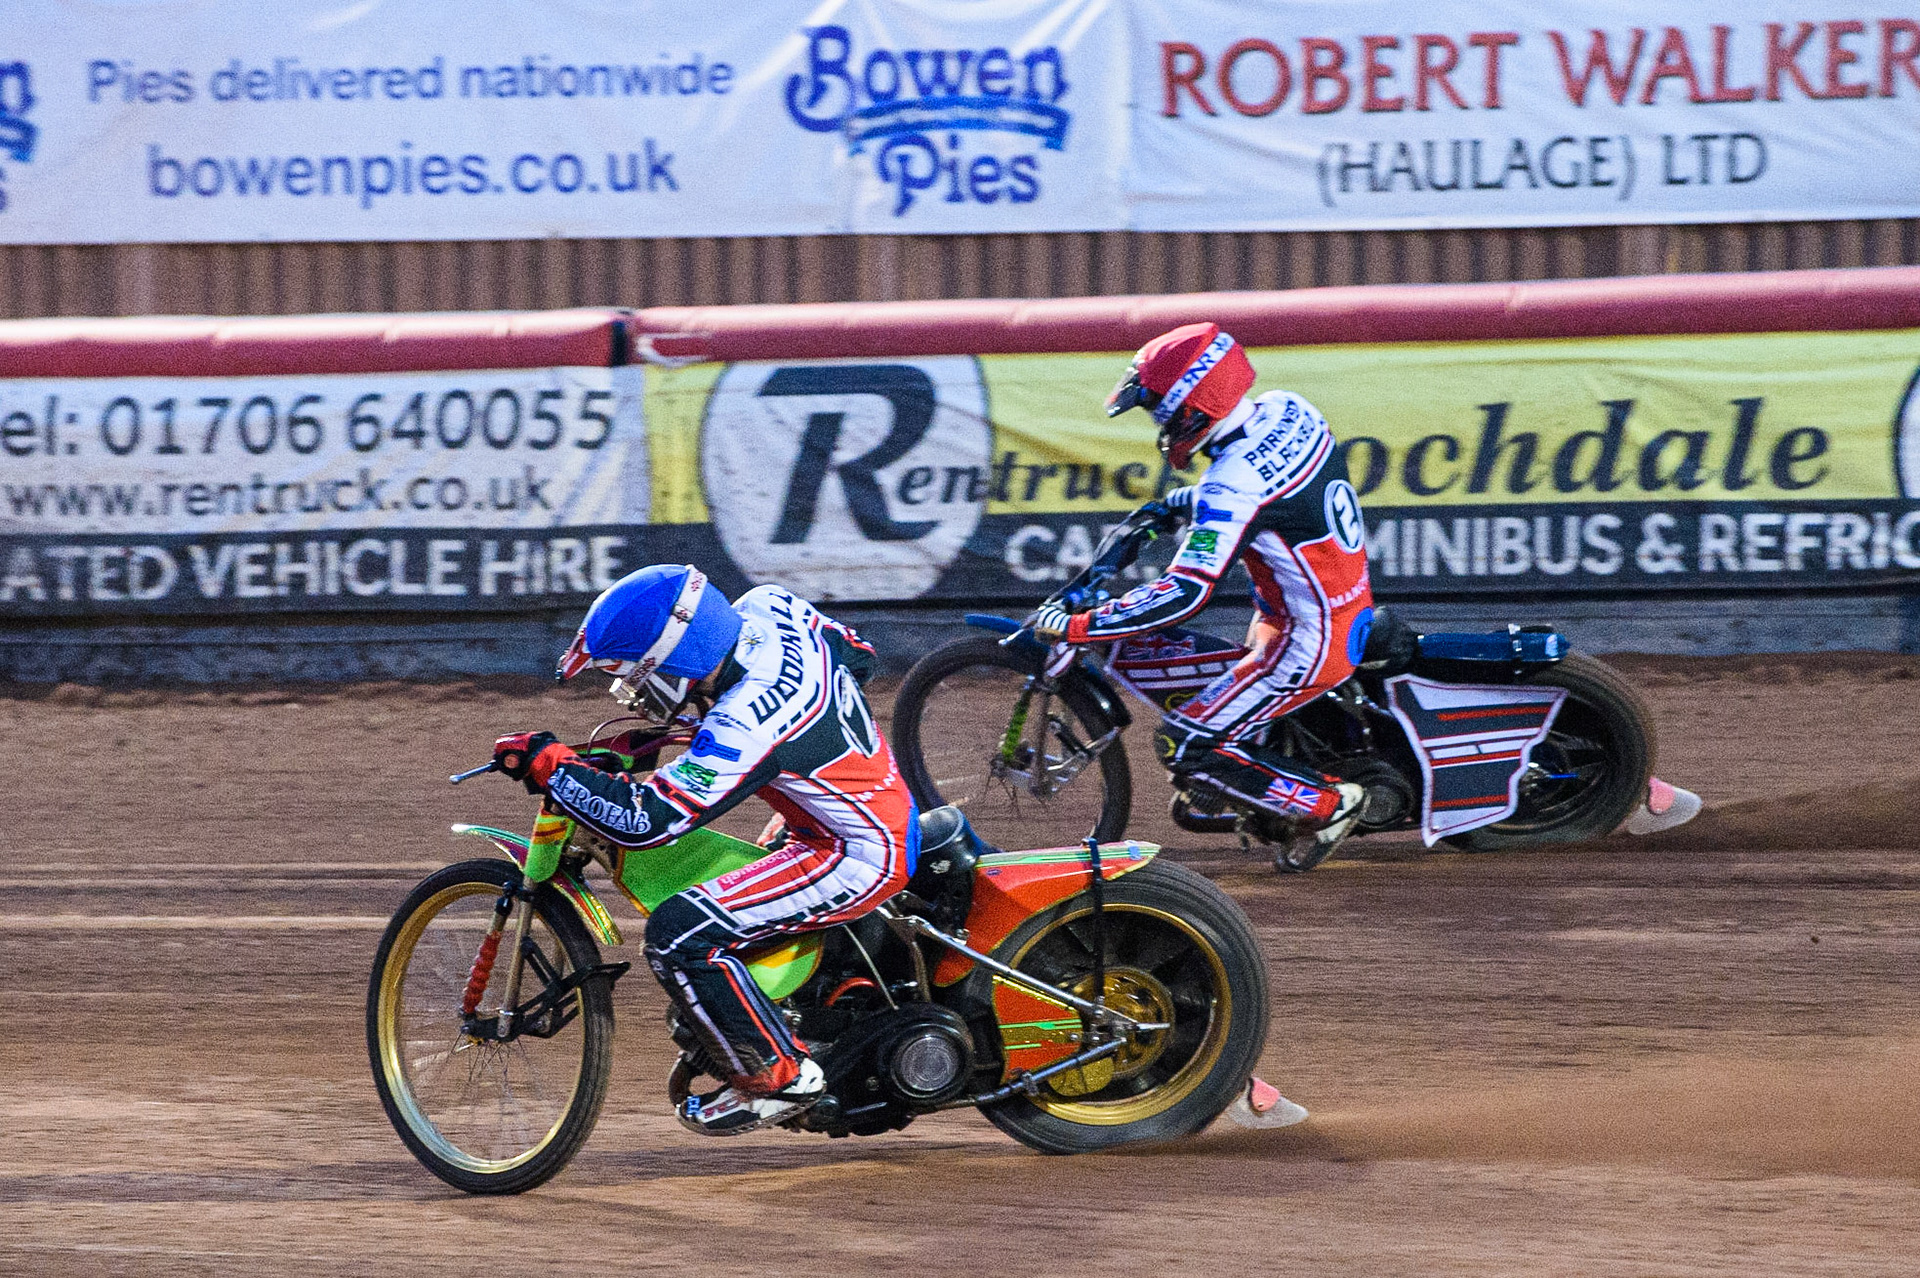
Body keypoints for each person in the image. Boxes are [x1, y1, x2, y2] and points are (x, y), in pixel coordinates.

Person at [491, 564, 917, 1136]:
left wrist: (555, 768)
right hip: (865, 806)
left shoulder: (744, 721)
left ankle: (780, 1080)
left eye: (632, 676)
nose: (629, 692)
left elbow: (646, 821)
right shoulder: (771, 605)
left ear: (673, 659)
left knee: (679, 935)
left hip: (856, 852)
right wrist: (806, 764)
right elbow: (859, 659)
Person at [1029, 322, 1373, 869]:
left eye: (1158, 412)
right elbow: (1275, 495)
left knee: (1184, 743)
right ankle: (1258, 776)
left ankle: (1331, 804)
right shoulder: (1290, 409)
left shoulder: (1231, 485)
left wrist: (1081, 626)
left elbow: (1184, 593)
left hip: (1308, 640)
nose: (1160, 426)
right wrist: (1184, 502)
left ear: (1190, 407)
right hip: (1333, 605)